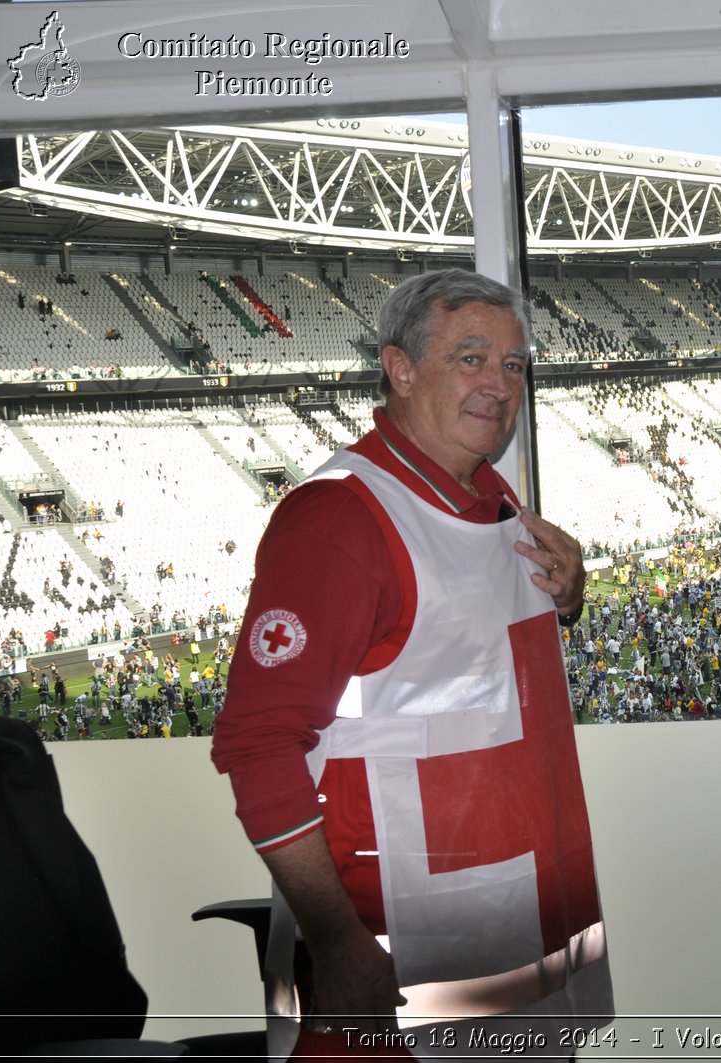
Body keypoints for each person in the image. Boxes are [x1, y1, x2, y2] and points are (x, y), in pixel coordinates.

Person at [211, 269, 612, 1061]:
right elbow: (256, 745)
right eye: (471, 358)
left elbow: (469, 668)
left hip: (523, 941)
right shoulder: (338, 521)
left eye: (514, 364)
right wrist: (337, 939)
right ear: (399, 369)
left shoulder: (492, 496)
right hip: (399, 968)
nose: (499, 385)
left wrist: (569, 598)